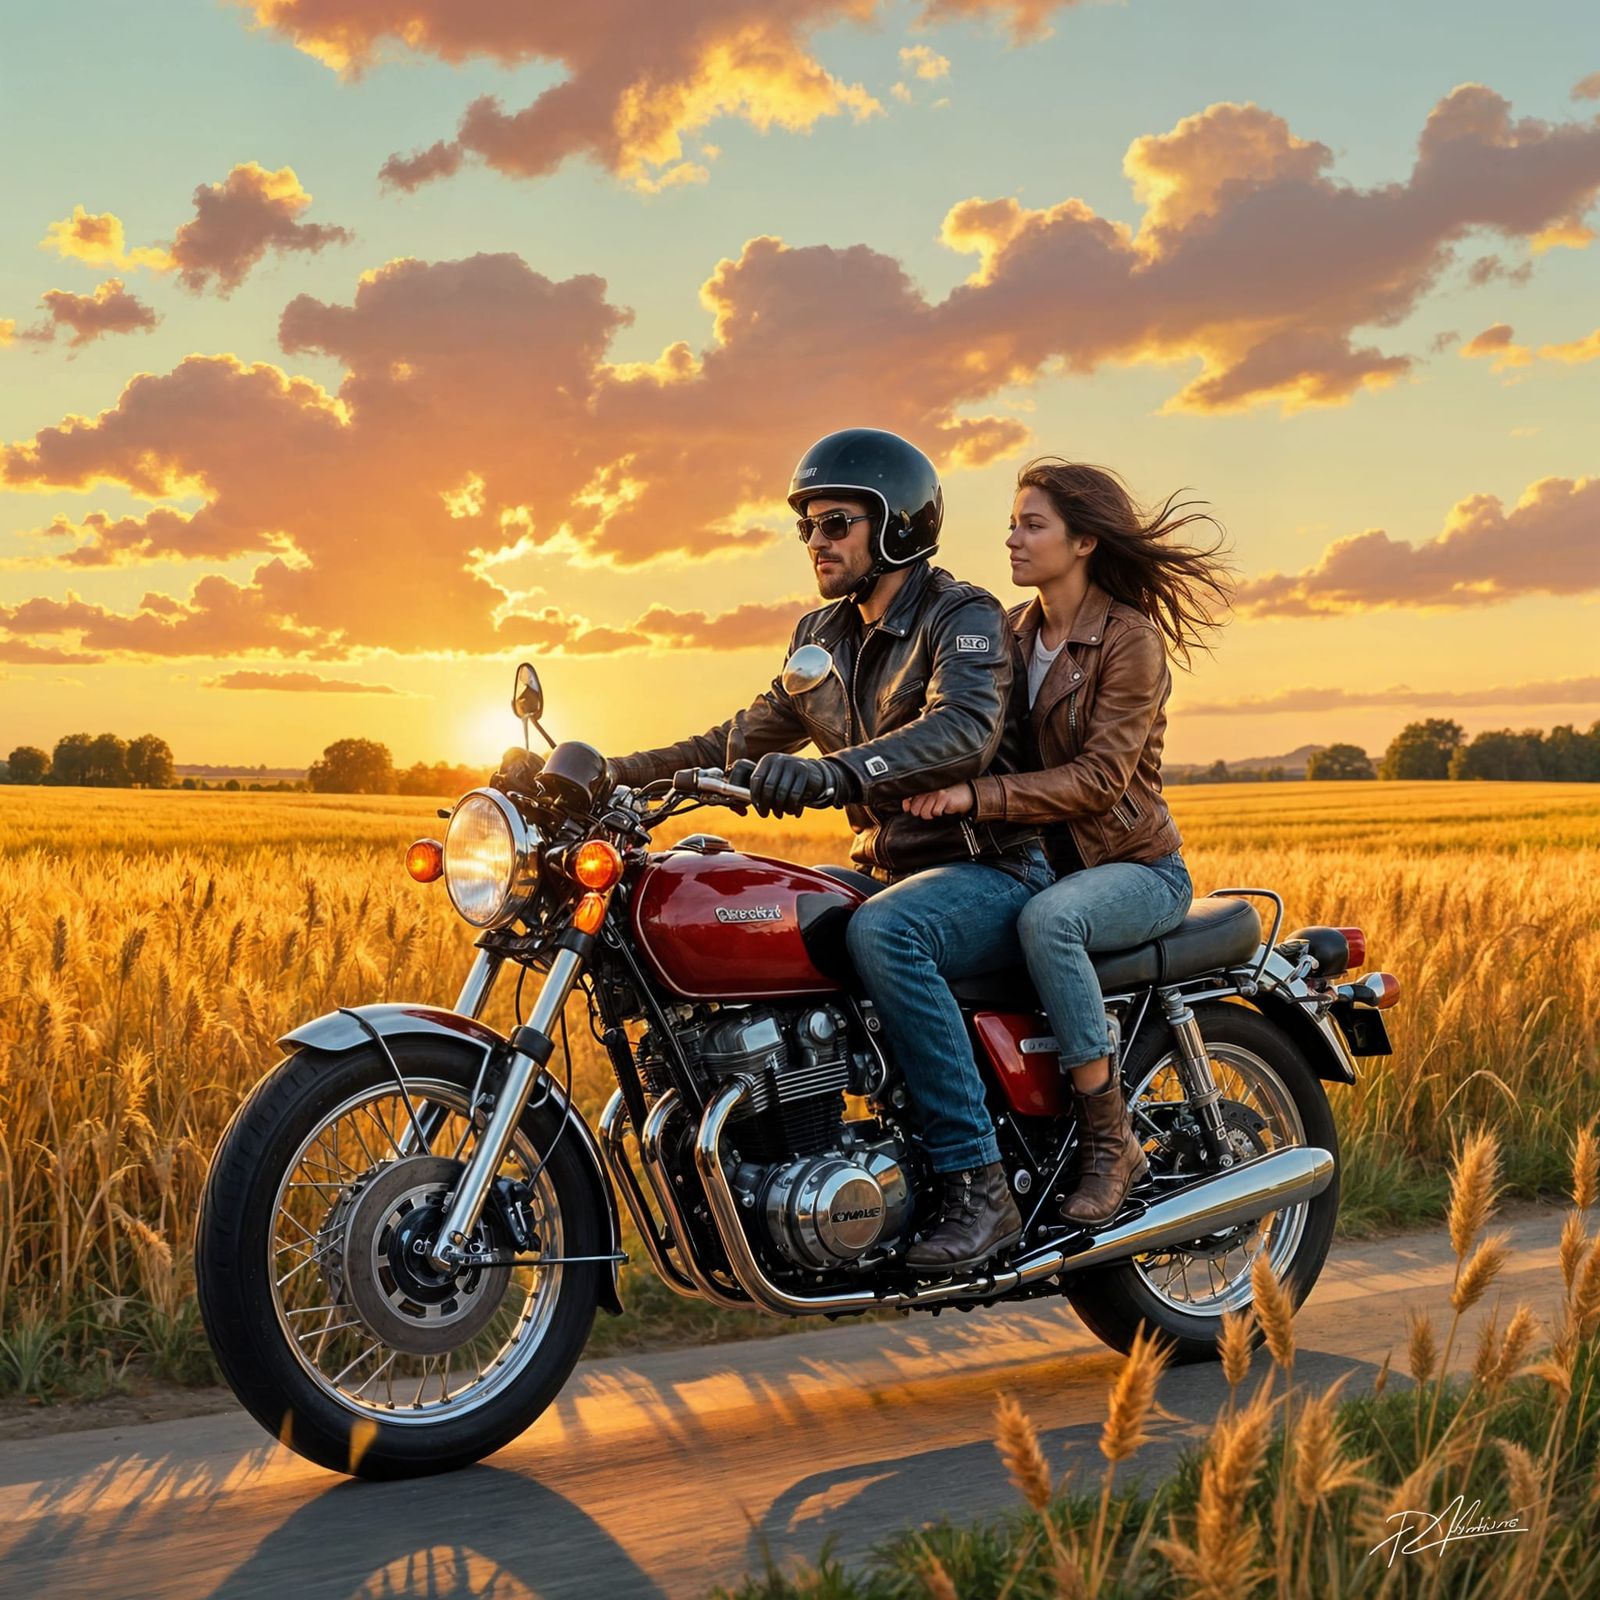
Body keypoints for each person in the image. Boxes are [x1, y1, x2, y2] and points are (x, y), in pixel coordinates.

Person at [605, 427, 1053, 1273]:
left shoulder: (962, 615)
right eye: (808, 525)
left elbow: (963, 729)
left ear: (897, 527)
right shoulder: (823, 634)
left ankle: (979, 1185)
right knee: (758, 911)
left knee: (886, 934)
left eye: (837, 522)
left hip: (991, 869)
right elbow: (734, 740)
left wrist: (834, 776)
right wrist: (605, 771)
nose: (816, 540)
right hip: (889, 870)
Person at [902, 457, 1234, 1227]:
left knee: (1050, 922)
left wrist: (976, 795)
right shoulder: (1007, 637)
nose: (1011, 538)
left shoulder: (1129, 642)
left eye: (1032, 523)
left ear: (1083, 542)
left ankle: (1110, 1140)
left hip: (1135, 869)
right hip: (1039, 864)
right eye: (1013, 522)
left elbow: (1100, 781)